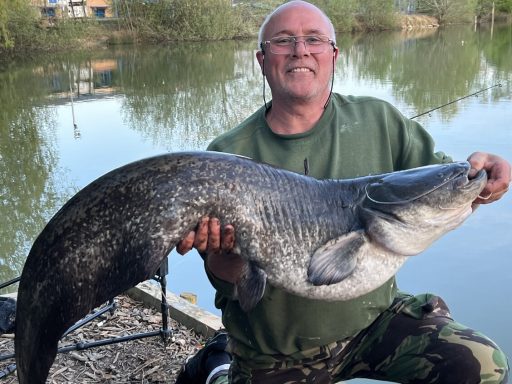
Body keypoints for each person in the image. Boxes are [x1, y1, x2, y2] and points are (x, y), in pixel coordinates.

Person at [175, 1, 511, 383]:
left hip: (374, 324)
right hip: (277, 351)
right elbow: (227, 279)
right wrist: (225, 253)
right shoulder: (226, 156)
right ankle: (217, 365)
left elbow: (440, 187)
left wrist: (484, 182)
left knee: (481, 364)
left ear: (333, 55)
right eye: (284, 41)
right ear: (262, 59)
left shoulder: (380, 120)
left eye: (314, 40)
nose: (300, 50)